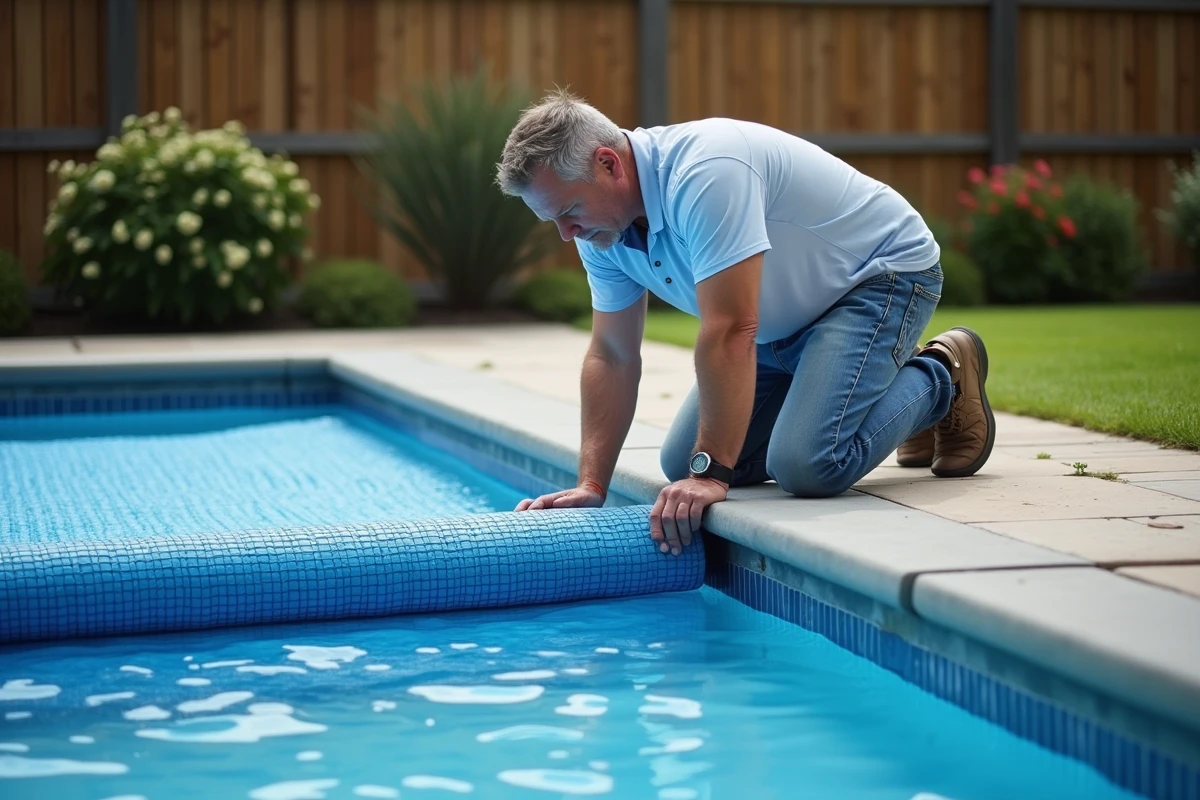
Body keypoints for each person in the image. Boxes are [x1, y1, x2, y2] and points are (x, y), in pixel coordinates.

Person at [496, 90, 994, 557]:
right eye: (554, 221)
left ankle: (942, 374)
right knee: (680, 464)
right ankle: (872, 388)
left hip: (875, 279)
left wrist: (710, 473)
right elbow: (612, 352)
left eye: (569, 212)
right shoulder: (600, 230)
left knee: (807, 466)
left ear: (608, 164)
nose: (567, 235)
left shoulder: (706, 171)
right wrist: (591, 485)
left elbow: (732, 328)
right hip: (782, 318)